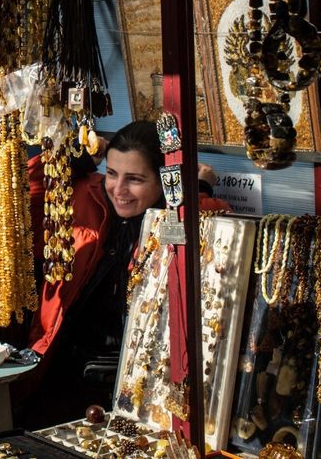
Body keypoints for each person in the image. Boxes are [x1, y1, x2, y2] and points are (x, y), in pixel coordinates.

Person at [20, 120, 230, 428]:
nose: (119, 190)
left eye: (135, 179)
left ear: (162, 181)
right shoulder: (84, 197)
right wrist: (78, 159)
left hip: (133, 390)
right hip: (60, 371)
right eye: (113, 173)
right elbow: (23, 193)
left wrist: (193, 192)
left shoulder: (172, 223)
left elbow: (216, 225)